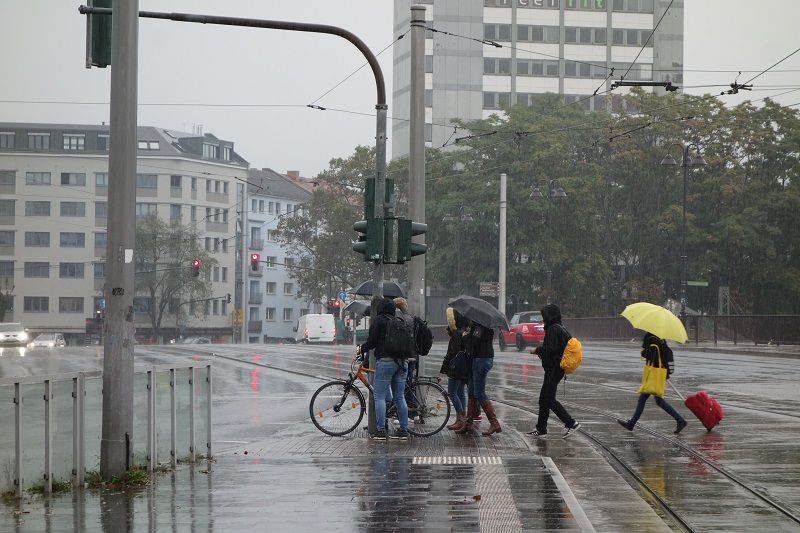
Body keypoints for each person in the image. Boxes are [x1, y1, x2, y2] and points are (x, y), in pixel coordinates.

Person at [359, 297, 409, 441]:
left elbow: (372, 341)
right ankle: (403, 430)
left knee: (379, 396)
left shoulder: (379, 321)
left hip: (386, 361)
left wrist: (362, 348)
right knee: (400, 397)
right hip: (402, 362)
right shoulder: (399, 321)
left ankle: (380, 431)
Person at [527, 303, 581, 438]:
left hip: (554, 369)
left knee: (549, 399)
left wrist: (536, 350)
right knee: (543, 399)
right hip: (555, 369)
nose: (543, 319)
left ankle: (571, 423)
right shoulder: (560, 328)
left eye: (544, 316)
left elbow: (549, 349)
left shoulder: (553, 329)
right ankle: (541, 428)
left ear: (550, 316)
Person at [618, 332, 687, 434]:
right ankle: (680, 420)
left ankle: (631, 424)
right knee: (658, 401)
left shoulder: (652, 339)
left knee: (643, 400)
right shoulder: (660, 338)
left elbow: (652, 356)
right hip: (659, 373)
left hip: (654, 374)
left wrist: (644, 352)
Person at [456, 320, 502, 436]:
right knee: (471, 391)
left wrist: (465, 336)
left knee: (479, 392)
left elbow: (474, 341)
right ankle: (468, 424)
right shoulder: (484, 324)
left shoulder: (480, 325)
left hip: (481, 360)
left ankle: (494, 423)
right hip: (479, 359)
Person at [440, 307, 468, 430]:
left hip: (456, 367)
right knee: (461, 393)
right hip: (464, 367)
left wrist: (446, 365)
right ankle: (462, 419)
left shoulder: (457, 334)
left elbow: (453, 352)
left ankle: (461, 419)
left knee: (452, 392)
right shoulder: (465, 331)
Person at [393, 297, 419, 420]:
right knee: (409, 384)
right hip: (413, 355)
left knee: (403, 386)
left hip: (405, 356)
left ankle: (406, 414)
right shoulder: (411, 318)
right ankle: (413, 413)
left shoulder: (400, 319)